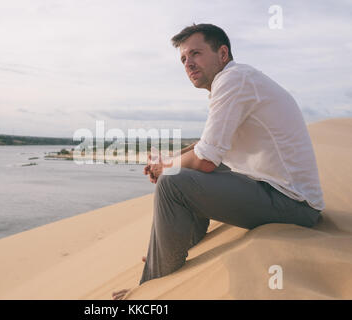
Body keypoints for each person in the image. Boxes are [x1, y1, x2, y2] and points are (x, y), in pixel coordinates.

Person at [112, 23, 325, 300]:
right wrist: (169, 160)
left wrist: (166, 168)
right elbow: (205, 146)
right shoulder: (236, 81)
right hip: (280, 191)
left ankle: (150, 290)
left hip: (293, 204)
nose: (188, 64)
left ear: (222, 53)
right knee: (184, 172)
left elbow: (205, 162)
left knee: (173, 182)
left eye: (196, 54)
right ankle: (171, 249)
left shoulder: (232, 80)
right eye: (183, 59)